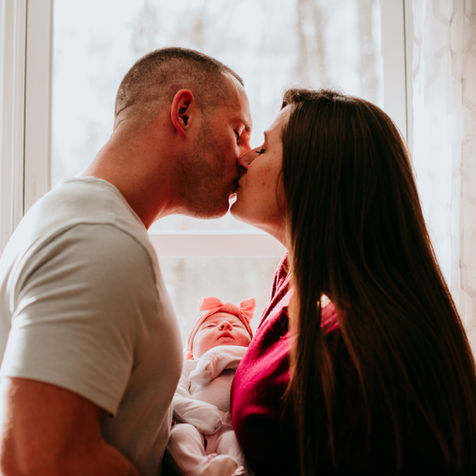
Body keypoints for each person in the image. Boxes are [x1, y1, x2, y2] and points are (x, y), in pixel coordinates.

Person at [0, 47, 252, 475]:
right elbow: (36, 457)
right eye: (238, 131)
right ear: (184, 113)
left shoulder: (79, 219)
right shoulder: (98, 239)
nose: (245, 156)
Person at [230, 88, 476, 475]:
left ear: (313, 173)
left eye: (263, 149)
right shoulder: (293, 278)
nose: (244, 158)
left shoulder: (359, 350)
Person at [167, 296, 254, 476]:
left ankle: (236, 471)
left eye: (236, 326)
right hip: (192, 423)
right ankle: (198, 469)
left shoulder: (248, 365)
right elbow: (174, 394)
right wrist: (195, 412)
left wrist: (218, 355)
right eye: (210, 326)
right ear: (191, 352)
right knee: (179, 436)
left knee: (235, 444)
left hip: (229, 427)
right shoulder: (188, 366)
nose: (225, 325)